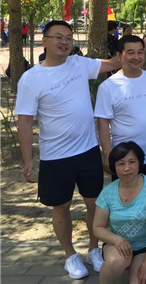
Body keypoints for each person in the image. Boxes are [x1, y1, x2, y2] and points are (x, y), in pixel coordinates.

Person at [15, 20, 121, 279]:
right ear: (45, 41)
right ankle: (70, 255)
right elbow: (25, 121)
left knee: (95, 203)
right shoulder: (31, 79)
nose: (64, 42)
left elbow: (112, 64)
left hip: (88, 150)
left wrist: (137, 49)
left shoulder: (79, 64)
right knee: (61, 206)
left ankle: (94, 249)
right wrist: (28, 159)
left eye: (69, 38)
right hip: (55, 156)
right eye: (58, 37)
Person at [95, 35, 146, 185]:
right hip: (124, 159)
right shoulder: (108, 87)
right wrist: (107, 154)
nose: (136, 57)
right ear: (119, 55)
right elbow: (103, 123)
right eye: (131, 53)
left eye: (140, 52)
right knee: (126, 197)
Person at [92, 142, 146, 284]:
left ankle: (137, 267)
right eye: (121, 163)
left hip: (145, 248)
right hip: (117, 246)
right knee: (117, 260)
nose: (127, 168)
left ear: (139, 163)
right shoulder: (107, 192)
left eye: (132, 162)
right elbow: (97, 227)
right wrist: (117, 240)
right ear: (114, 166)